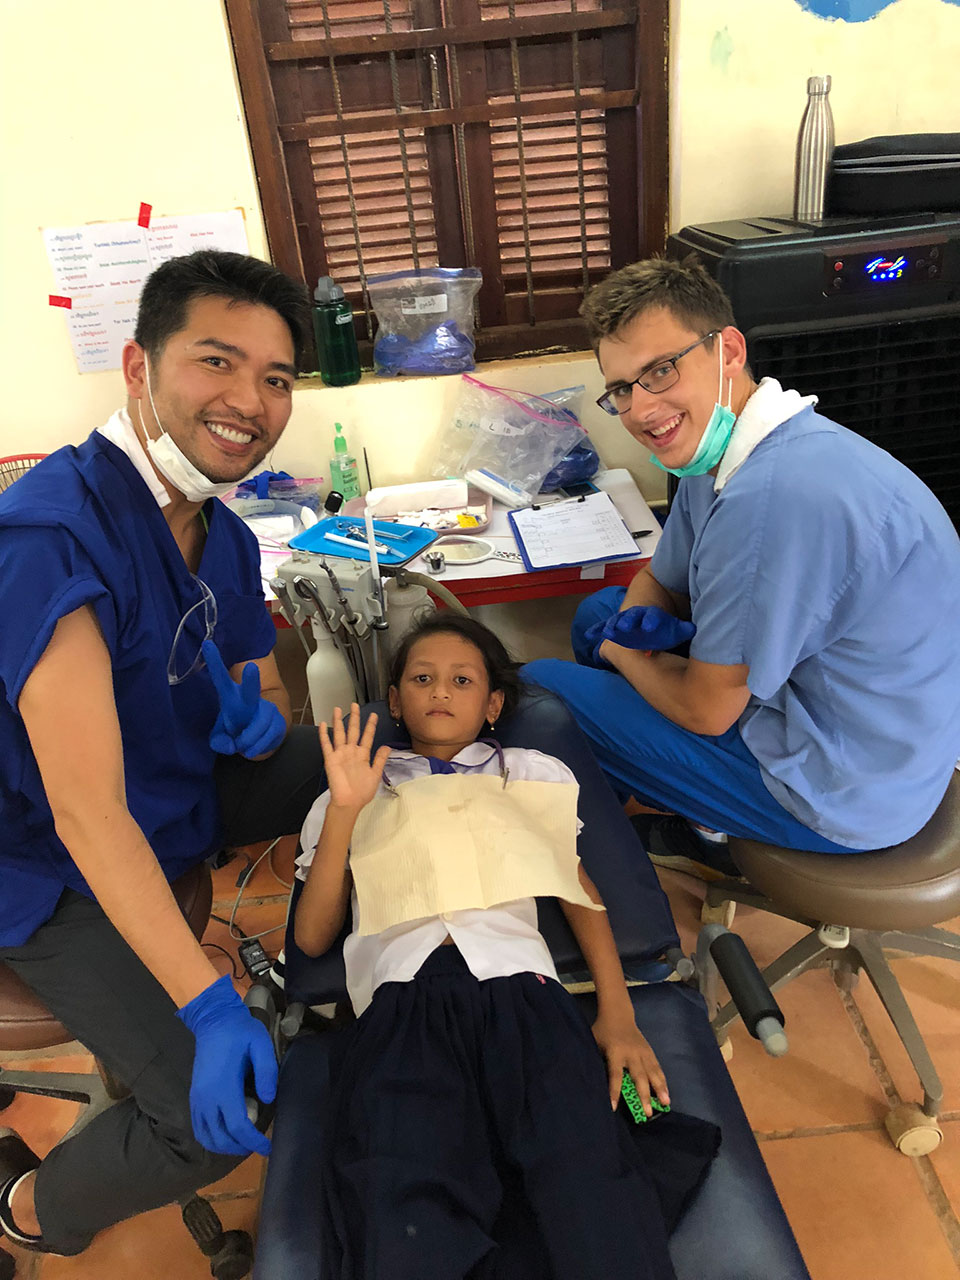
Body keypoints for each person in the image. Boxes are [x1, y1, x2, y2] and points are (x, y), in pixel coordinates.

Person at [0, 251, 327, 1256]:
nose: (251, 402)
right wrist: (209, 1002)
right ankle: (29, 1206)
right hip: (41, 861)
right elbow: (87, 815)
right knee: (203, 1120)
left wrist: (257, 713)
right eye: (216, 361)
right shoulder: (51, 538)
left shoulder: (218, 530)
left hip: (167, 792)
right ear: (139, 367)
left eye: (276, 377)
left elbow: (251, 670)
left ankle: (362, 974)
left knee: (368, 762)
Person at [294, 613, 719, 1280]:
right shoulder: (351, 788)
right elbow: (312, 936)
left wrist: (618, 1014)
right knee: (400, 1207)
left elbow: (578, 892)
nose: (440, 690)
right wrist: (346, 810)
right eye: (422, 679)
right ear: (396, 701)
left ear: (493, 706)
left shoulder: (528, 774)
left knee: (588, 1186)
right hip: (400, 1009)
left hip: (526, 1000)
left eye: (462, 680)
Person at [524, 257, 960, 867]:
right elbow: (660, 580)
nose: (641, 410)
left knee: (542, 689)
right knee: (598, 613)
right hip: (850, 714)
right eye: (622, 389)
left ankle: (638, 849)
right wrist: (623, 634)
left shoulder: (774, 499)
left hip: (849, 788)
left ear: (728, 350)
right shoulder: (725, 450)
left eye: (661, 370)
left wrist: (623, 653)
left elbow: (707, 710)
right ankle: (653, 794)